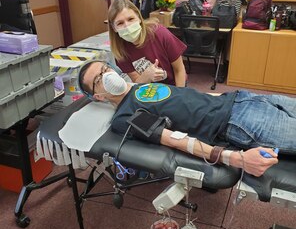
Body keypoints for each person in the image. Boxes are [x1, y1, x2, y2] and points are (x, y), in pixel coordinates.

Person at [78, 60, 296, 177]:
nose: (107, 75)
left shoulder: (140, 87)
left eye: (106, 69)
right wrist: (238, 159)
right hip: (240, 121)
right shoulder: (124, 117)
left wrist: (228, 95)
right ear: (97, 96)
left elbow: (193, 97)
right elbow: (173, 139)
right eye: (98, 79)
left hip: (241, 98)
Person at [108, 0, 187, 87]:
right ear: (114, 28)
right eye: (120, 23)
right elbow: (137, 82)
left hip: (175, 85)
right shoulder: (120, 51)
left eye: (130, 19)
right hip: (148, 90)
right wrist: (146, 76)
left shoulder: (159, 33)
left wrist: (179, 95)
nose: (127, 26)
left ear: (139, 18)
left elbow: (179, 70)